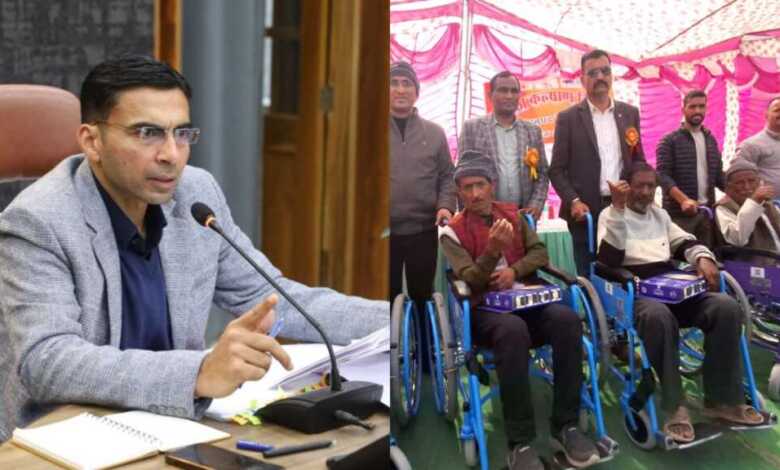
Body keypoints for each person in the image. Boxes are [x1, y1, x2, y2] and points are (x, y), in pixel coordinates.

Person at [0, 55, 387, 441]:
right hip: (67, 438)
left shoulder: (195, 195)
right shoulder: (38, 221)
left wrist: (399, 320)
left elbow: (277, 300)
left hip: (174, 426)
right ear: (92, 141)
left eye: (182, 133)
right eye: (147, 133)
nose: (171, 154)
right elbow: (47, 360)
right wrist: (199, 373)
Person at [439, 150, 598, 470]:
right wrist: (493, 251)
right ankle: (520, 441)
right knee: (513, 331)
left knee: (567, 320)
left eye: (480, 185)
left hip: (527, 300)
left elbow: (539, 254)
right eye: (467, 187)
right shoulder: (451, 231)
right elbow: (470, 279)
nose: (475, 193)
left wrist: (514, 270)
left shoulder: (513, 215)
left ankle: (566, 425)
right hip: (485, 311)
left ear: (492, 185)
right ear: (459, 192)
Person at [597, 162, 763, 443]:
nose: (646, 192)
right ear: (626, 187)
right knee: (658, 317)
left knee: (726, 307)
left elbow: (684, 242)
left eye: (651, 186)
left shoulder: (659, 215)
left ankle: (721, 399)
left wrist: (703, 258)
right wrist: (618, 209)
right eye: (639, 186)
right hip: (634, 290)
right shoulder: (610, 215)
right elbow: (608, 260)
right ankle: (675, 406)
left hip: (671, 286)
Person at [550, 49, 645, 276]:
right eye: (593, 73)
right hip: (585, 213)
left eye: (605, 71)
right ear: (582, 79)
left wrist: (640, 192)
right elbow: (556, 170)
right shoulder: (568, 118)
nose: (600, 77)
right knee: (589, 275)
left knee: (624, 273)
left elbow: (638, 161)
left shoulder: (630, 113)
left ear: (612, 75)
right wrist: (574, 201)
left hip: (622, 209)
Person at [389, 61, 455, 366]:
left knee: (421, 297)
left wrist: (445, 205)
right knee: (385, 300)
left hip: (422, 230)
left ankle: (427, 360)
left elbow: (447, 176)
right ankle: (384, 360)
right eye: (394, 83)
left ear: (417, 92)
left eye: (407, 84)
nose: (400, 89)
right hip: (383, 235)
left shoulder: (435, 133)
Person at [458, 71, 548, 220]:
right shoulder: (472, 128)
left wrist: (536, 205)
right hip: (484, 217)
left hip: (524, 216)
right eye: (503, 90)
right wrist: (468, 217)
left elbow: (542, 173)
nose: (509, 96)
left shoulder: (532, 131)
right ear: (490, 95)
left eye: (514, 91)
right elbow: (462, 176)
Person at [656, 89, 725, 247]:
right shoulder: (669, 141)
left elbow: (718, 176)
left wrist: (736, 194)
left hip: (707, 213)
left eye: (701, 106)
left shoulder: (711, 140)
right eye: (692, 107)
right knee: (682, 258)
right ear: (683, 109)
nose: (697, 111)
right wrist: (684, 200)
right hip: (679, 215)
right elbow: (662, 176)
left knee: (707, 256)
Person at [715, 159, 780, 258]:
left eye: (751, 181)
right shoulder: (724, 208)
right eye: (739, 183)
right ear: (729, 187)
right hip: (751, 265)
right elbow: (737, 239)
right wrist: (753, 202)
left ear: (759, 182)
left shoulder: (768, 204)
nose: (747, 187)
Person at [737, 96, 780, 195]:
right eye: (777, 110)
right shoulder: (750, 145)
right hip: (767, 203)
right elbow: (738, 177)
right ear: (766, 114)